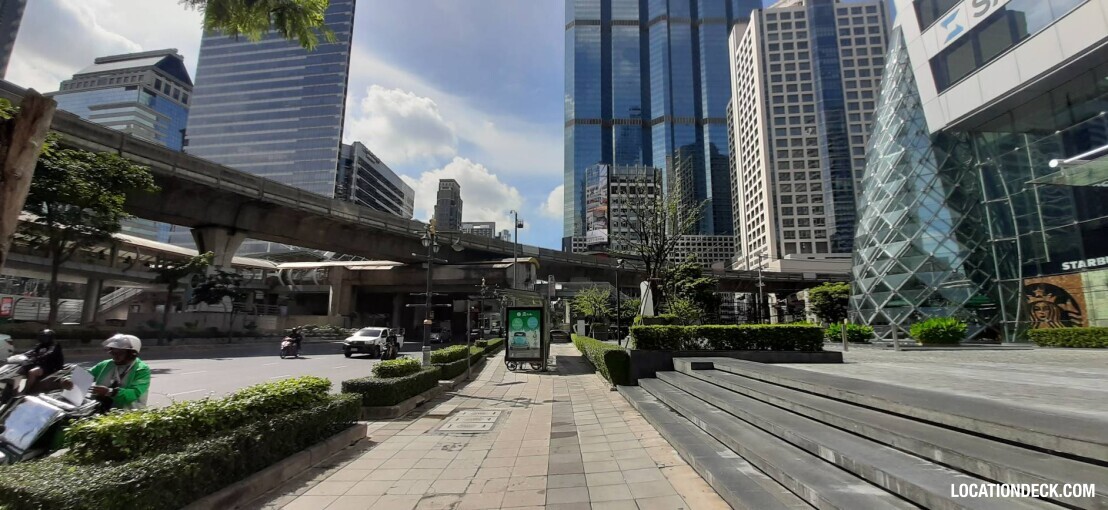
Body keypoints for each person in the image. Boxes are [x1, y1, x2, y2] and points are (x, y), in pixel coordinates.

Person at [85, 334, 150, 412]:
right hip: (100, 409)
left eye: (120, 353)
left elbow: (135, 393)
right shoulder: (106, 364)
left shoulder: (141, 369)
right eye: (113, 353)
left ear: (131, 354)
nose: (115, 356)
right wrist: (69, 380)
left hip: (128, 413)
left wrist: (110, 392)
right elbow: (86, 375)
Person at [19, 329, 64, 395]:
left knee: (32, 372)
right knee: (22, 368)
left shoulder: (55, 346)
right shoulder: (41, 345)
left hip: (51, 367)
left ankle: (26, 391)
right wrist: (22, 355)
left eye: (44, 337)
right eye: (42, 337)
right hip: (42, 364)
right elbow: (32, 351)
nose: (42, 338)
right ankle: (14, 389)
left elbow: (49, 354)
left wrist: (35, 358)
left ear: (50, 337)